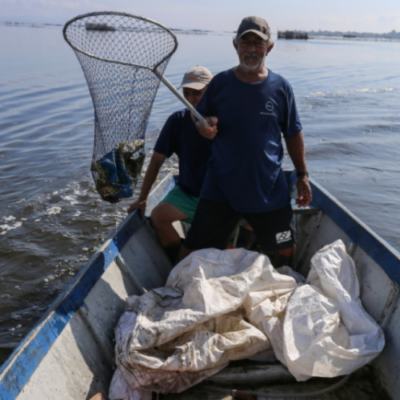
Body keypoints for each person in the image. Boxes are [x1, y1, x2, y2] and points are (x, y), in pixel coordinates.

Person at [179, 16, 312, 266]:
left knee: (285, 247)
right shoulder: (219, 83)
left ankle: (283, 280)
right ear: (235, 45)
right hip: (221, 188)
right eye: (245, 42)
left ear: (269, 48)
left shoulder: (281, 87)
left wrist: (302, 175)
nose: (251, 49)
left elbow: (293, 132)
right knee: (191, 251)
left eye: (258, 43)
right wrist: (203, 128)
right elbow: (200, 120)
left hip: (268, 190)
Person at [127, 66, 213, 262]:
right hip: (188, 193)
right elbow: (156, 160)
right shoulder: (177, 121)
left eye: (197, 93)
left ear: (210, 92)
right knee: (158, 217)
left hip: (220, 197)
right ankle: (180, 262)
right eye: (186, 93)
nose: (190, 99)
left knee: (254, 222)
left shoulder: (223, 121)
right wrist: (142, 199)